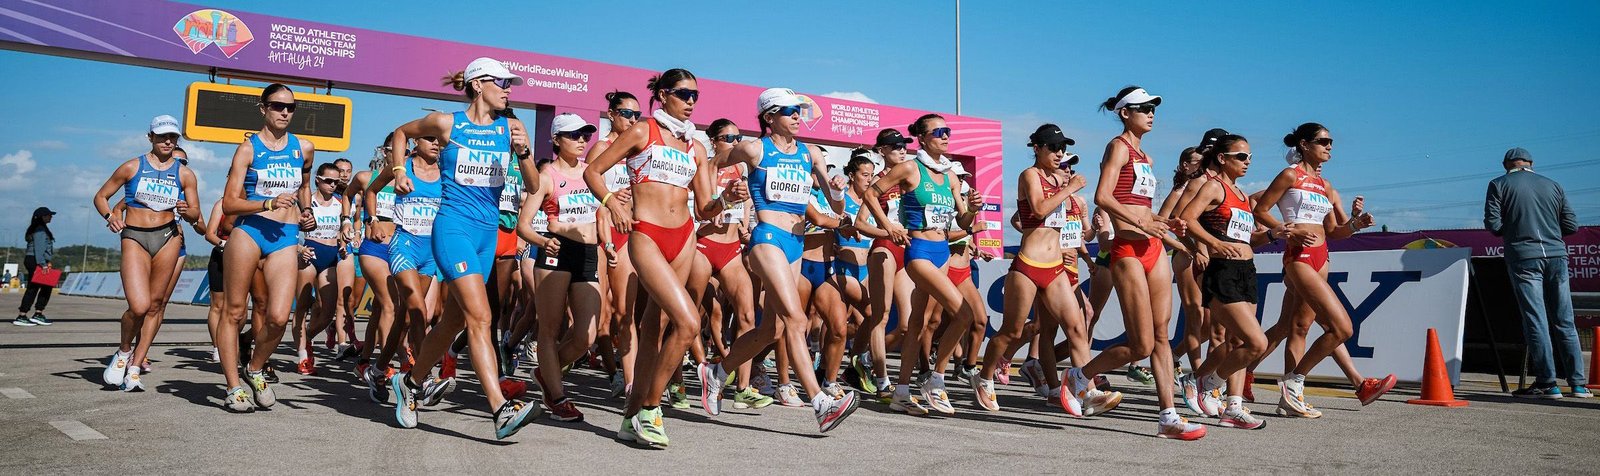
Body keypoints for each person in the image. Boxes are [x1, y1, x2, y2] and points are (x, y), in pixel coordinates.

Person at [386, 58, 542, 439]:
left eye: (510, 84)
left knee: (455, 320)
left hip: (487, 234)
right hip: (452, 226)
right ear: (477, 85)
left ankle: (410, 382)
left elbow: (534, 186)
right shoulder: (446, 123)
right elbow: (400, 133)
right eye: (501, 83)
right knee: (482, 317)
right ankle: (500, 409)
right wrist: (399, 171)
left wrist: (523, 153)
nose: (508, 89)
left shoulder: (512, 127)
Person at [697, 87, 860, 431]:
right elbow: (712, 162)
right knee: (797, 320)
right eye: (789, 111)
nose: (798, 116)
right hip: (766, 237)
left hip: (796, 243)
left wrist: (838, 191)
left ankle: (716, 372)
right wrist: (720, 197)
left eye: (799, 110)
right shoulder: (755, 148)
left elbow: (835, 207)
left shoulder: (811, 153)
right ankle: (820, 403)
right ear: (769, 117)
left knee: (773, 328)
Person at [585, 68, 720, 446]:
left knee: (654, 329)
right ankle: (650, 407)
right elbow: (594, 171)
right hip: (646, 234)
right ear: (662, 95)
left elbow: (706, 206)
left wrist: (729, 200)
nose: (691, 100)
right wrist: (612, 204)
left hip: (684, 237)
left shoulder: (697, 147)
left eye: (695, 94)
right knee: (689, 323)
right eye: (682, 93)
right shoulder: (644, 130)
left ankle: (629, 419)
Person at [1062, 86, 1206, 441]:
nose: (1151, 113)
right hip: (1126, 249)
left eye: (1154, 107)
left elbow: (1140, 208)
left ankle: (1168, 417)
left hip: (1153, 248)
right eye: (1143, 108)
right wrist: (1141, 222)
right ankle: (1080, 376)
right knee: (1141, 345)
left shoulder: (1146, 157)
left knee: (1161, 336)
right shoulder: (1118, 146)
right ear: (1125, 113)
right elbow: (1103, 197)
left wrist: (1164, 224)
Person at [1253, 122, 1385, 418]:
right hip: (1298, 257)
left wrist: (1354, 225)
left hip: (1322, 257)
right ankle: (1293, 383)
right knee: (1341, 328)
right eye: (1323, 141)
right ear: (1304, 145)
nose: (1329, 147)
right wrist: (1283, 230)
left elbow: (1334, 232)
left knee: (1298, 328)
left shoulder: (1325, 186)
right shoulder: (1290, 175)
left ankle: (1287, 395)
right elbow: (1259, 209)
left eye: (1331, 142)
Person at [863, 113, 984, 416]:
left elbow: (963, 220)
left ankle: (901, 392)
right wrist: (888, 227)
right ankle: (937, 379)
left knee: (918, 325)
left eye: (948, 131)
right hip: (918, 252)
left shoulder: (952, 176)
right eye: (938, 132)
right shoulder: (910, 168)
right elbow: (870, 193)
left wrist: (972, 209)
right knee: (964, 314)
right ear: (922, 138)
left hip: (943, 249)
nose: (945, 136)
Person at [216, 83, 317, 412]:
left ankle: (255, 367)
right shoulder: (248, 149)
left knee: (277, 317)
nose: (284, 112)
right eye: (277, 106)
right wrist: (267, 202)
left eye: (290, 107)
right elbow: (230, 204)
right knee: (234, 312)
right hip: (250, 231)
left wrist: (307, 212)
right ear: (263, 109)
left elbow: (304, 185)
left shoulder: (304, 148)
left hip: (285, 235)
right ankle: (233, 386)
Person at [91, 114, 202, 391]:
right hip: (135, 236)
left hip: (168, 237)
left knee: (155, 305)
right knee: (138, 306)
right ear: (150, 137)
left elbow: (197, 213)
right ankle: (124, 351)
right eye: (162, 135)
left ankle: (136, 367)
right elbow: (101, 196)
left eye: (173, 137)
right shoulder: (131, 166)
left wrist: (188, 211)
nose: (167, 141)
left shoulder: (185, 173)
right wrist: (109, 216)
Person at [1176, 133, 1270, 429]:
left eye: (1250, 157)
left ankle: (1233, 407)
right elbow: (1186, 219)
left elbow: (1247, 238)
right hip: (1222, 272)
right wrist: (1212, 245)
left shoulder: (1242, 195)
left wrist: (1272, 235)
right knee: (1257, 342)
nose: (1247, 162)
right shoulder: (1212, 187)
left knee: (1239, 342)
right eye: (1241, 157)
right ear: (1222, 158)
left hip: (1247, 270)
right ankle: (1207, 381)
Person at [520, 113, 604, 421]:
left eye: (584, 134)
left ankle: (545, 372)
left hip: (587, 253)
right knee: (550, 328)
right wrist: (543, 243)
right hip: (555, 252)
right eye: (573, 135)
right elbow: (524, 226)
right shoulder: (546, 177)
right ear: (556, 140)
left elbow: (602, 213)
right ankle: (557, 396)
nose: (582, 140)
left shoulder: (593, 172)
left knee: (587, 334)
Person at [1486, 147, 1589, 398]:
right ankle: (1578, 384)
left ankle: (1547, 382)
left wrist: (1517, 227)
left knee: (1536, 320)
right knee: (1565, 321)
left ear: (1506, 165)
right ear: (1531, 163)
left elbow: (1494, 225)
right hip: (1556, 256)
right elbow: (1571, 225)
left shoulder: (1498, 185)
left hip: (1523, 256)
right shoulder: (1553, 185)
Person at [15, 207, 56, 326]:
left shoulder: (40, 229)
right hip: (36, 260)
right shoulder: (40, 230)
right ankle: (22, 315)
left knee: (46, 287)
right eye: (48, 215)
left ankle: (38, 313)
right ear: (41, 217)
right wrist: (43, 264)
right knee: (33, 288)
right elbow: (39, 249)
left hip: (35, 260)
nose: (51, 217)